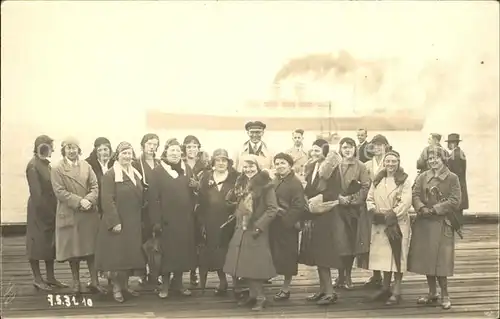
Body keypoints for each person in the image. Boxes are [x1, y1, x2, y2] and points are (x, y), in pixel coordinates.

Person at [408, 146, 461, 310]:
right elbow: (415, 194)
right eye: (430, 159)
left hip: (442, 223)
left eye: (435, 158)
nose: (432, 161)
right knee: (427, 259)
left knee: (441, 261)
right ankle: (432, 293)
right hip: (424, 222)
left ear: (443, 158)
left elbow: (455, 200)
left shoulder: (452, 177)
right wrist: (421, 208)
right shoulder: (423, 176)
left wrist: (435, 209)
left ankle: (445, 294)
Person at [51, 137, 106, 294]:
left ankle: (94, 281)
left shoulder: (86, 166)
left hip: (88, 214)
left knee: (91, 249)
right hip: (70, 213)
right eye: (68, 148)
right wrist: (79, 201)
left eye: (74, 148)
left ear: (78, 149)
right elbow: (59, 191)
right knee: (73, 251)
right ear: (63, 150)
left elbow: (95, 186)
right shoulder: (57, 169)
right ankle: (76, 282)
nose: (72, 151)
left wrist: (89, 200)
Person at [224, 155, 278, 311]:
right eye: (245, 166)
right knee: (244, 264)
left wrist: (259, 227)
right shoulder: (242, 183)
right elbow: (242, 204)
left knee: (256, 266)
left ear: (258, 167)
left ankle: (260, 297)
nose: (248, 169)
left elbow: (272, 209)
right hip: (241, 228)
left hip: (255, 230)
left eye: (251, 166)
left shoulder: (266, 185)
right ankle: (253, 295)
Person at [95, 142, 146, 303]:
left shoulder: (135, 173)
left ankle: (124, 286)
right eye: (124, 153)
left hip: (133, 222)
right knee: (117, 257)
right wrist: (114, 222)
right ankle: (116, 288)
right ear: (117, 155)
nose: (127, 156)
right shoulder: (111, 175)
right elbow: (107, 200)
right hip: (117, 222)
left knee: (129, 255)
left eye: (130, 153)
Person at [148, 138, 198, 298]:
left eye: (177, 150)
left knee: (182, 253)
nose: (175, 153)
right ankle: (165, 286)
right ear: (165, 153)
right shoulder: (157, 172)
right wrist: (156, 221)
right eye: (172, 150)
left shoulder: (187, 169)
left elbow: (193, 193)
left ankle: (178, 284)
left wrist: (195, 187)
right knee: (166, 254)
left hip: (184, 220)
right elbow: (153, 198)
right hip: (166, 221)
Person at [366, 149, 412, 305]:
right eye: (388, 161)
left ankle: (397, 290)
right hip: (380, 223)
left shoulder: (404, 180)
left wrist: (391, 215)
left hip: (397, 223)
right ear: (384, 162)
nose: (390, 164)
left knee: (398, 256)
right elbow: (369, 198)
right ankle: (385, 288)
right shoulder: (378, 179)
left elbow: (405, 203)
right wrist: (374, 211)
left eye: (394, 161)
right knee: (384, 256)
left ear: (398, 163)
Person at [301, 138, 343, 305]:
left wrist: (319, 198)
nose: (314, 153)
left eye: (317, 150)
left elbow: (335, 192)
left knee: (324, 254)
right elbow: (309, 188)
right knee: (317, 253)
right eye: (312, 150)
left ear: (325, 152)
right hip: (314, 214)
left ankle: (330, 292)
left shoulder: (332, 169)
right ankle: (322, 289)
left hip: (327, 215)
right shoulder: (312, 167)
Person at [26, 135, 67, 291]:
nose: (51, 150)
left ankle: (50, 277)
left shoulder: (46, 164)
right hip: (38, 210)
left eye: (51, 147)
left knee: (49, 243)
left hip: (50, 207)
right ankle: (37, 279)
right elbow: (37, 194)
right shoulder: (33, 166)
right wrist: (47, 213)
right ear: (40, 148)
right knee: (36, 243)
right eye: (48, 147)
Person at [196, 149, 239, 295]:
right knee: (216, 253)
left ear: (228, 163)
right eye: (218, 160)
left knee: (232, 252)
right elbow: (200, 201)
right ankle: (222, 282)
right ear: (213, 162)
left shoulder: (236, 178)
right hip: (212, 222)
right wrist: (202, 222)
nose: (221, 163)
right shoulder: (206, 177)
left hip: (231, 221)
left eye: (224, 160)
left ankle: (236, 285)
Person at [332, 137, 371, 289]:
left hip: (354, 211)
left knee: (350, 244)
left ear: (355, 149)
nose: (347, 150)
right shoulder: (336, 165)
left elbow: (366, 187)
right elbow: (330, 186)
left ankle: (348, 276)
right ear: (340, 150)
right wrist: (339, 198)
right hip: (338, 209)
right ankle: (340, 276)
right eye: (344, 147)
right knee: (339, 244)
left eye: (350, 147)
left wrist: (352, 199)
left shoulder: (360, 166)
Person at [269, 153, 306, 301]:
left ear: (290, 165)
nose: (279, 166)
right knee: (274, 254)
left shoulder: (295, 183)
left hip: (287, 225)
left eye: (283, 163)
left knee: (288, 257)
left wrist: (286, 220)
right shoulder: (276, 180)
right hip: (274, 224)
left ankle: (286, 288)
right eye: (277, 163)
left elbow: (298, 206)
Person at [132, 133, 161, 286]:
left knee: (156, 239)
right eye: (149, 143)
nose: (152, 147)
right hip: (142, 206)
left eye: (155, 144)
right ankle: (142, 271)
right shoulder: (136, 163)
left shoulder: (160, 163)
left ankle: (156, 271)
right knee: (143, 239)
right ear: (143, 145)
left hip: (156, 206)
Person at [363, 134, 391, 288]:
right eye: (375, 145)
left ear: (386, 146)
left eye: (381, 145)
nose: (378, 148)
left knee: (385, 241)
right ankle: (376, 275)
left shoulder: (391, 162)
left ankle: (387, 276)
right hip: (371, 205)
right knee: (372, 241)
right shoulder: (367, 165)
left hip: (387, 205)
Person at [85, 137, 114, 216]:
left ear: (110, 150)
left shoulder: (115, 162)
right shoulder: (88, 164)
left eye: (105, 149)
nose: (103, 153)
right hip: (96, 205)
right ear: (95, 151)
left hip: (113, 203)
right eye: (99, 150)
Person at [445, 133, 468, 223]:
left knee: (457, 206)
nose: (448, 145)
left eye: (449, 142)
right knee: (458, 208)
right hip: (460, 183)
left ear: (453, 143)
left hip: (456, 184)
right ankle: (458, 225)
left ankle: (457, 226)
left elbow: (456, 172)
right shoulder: (459, 153)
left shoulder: (456, 155)